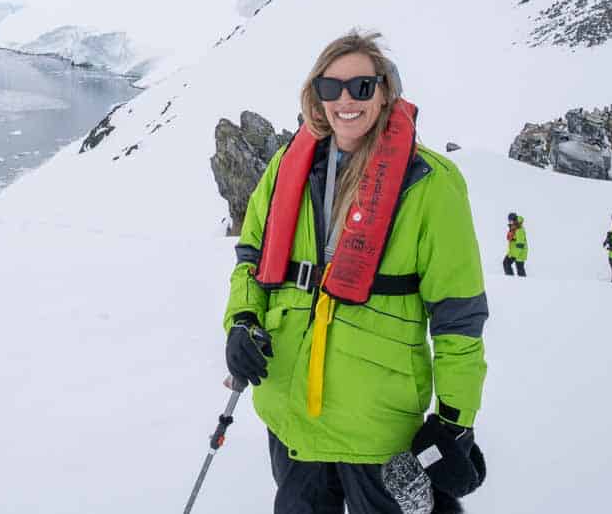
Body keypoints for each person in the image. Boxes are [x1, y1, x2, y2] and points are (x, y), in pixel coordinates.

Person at [223, 31, 487, 514]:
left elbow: (459, 317)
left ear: (385, 91)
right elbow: (251, 258)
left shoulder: (429, 183)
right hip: (292, 416)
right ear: (315, 95)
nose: (345, 100)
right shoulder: (288, 167)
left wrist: (454, 419)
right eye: (331, 88)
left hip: (378, 426)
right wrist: (241, 320)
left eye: (362, 87)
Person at [502, 213, 527, 277]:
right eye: (509, 220)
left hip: (519, 253)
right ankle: (511, 279)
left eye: (511, 220)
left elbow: (520, 245)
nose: (510, 222)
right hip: (513, 252)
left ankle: (511, 279)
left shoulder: (519, 230)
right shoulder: (514, 228)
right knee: (508, 264)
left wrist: (514, 255)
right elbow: (510, 239)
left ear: (515, 220)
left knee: (518, 268)